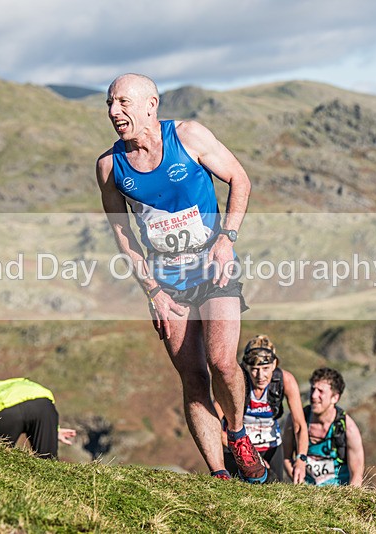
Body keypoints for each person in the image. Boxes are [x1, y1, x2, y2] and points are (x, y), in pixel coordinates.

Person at [95, 73, 264, 482]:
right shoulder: (109, 166)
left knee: (223, 361)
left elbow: (239, 179)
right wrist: (150, 290)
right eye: (110, 105)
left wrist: (227, 238)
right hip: (166, 279)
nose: (115, 112)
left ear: (151, 104)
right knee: (193, 376)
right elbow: (123, 234)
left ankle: (237, 433)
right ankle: (220, 475)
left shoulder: (189, 136)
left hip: (213, 265)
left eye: (123, 103)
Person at [214, 334, 309, 483]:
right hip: (238, 450)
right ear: (245, 366)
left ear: (274, 364)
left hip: (271, 448)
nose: (261, 376)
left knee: (275, 496)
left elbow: (299, 425)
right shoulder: (235, 383)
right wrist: (250, 455)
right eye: (255, 369)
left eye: (266, 368)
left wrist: (301, 459)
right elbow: (212, 422)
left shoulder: (285, 380)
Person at [0, 369, 76, 459]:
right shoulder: (11, 383)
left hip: (5, 412)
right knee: (48, 460)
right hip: (42, 404)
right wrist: (53, 429)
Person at [294, 367, 365, 487]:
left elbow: (357, 474)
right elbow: (286, 457)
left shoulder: (348, 428)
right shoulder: (299, 419)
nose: (314, 396)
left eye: (321, 391)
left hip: (338, 493)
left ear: (335, 398)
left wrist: (349, 500)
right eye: (313, 389)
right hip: (304, 492)